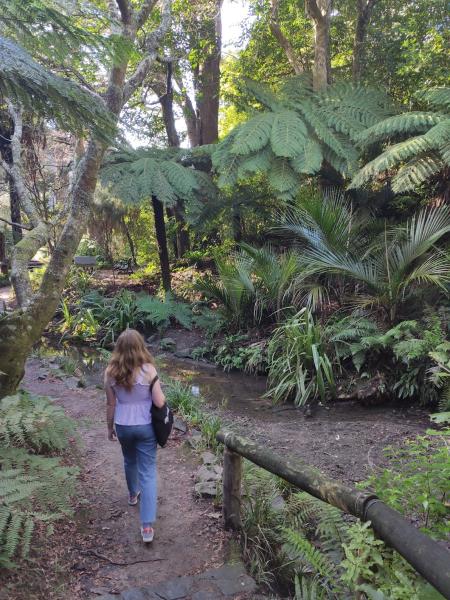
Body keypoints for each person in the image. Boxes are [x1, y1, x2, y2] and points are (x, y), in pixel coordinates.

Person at [104, 328, 166, 543]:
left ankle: (132, 495)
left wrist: (109, 428)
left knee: (129, 460)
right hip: (146, 426)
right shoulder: (149, 370)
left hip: (123, 424)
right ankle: (147, 527)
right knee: (147, 472)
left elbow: (111, 404)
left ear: (118, 348)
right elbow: (159, 402)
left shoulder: (111, 372)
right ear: (141, 346)